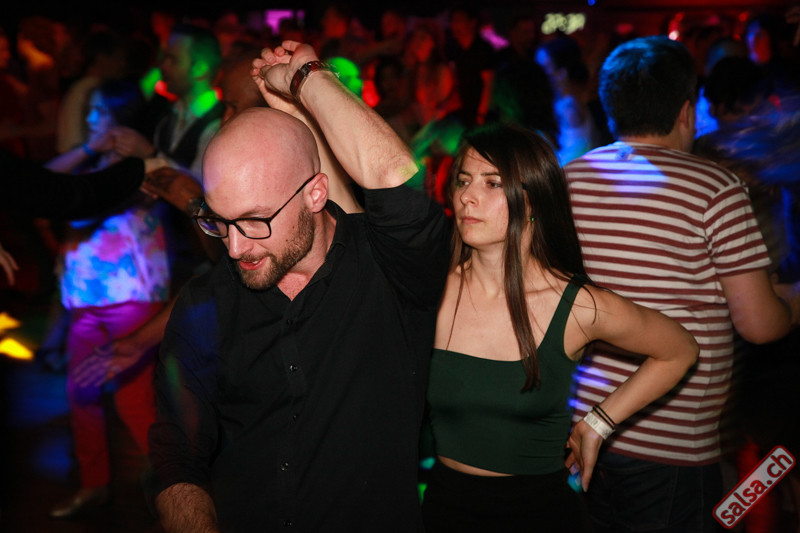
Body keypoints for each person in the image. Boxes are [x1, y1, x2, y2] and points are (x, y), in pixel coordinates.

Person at [146, 40, 450, 532]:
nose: (235, 247)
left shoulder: (385, 273)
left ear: (315, 193)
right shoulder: (207, 302)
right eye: (219, 221)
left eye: (256, 220)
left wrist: (308, 76)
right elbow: (176, 455)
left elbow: (395, 180)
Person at [565, 36, 799, 532]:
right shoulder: (715, 188)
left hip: (581, 427)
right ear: (687, 111)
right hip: (673, 446)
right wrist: (794, 302)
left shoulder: (571, 178)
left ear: (611, 109)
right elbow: (759, 325)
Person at [421, 122, 698, 532]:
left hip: (538, 515)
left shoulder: (576, 305)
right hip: (444, 510)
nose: (467, 196)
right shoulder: (432, 290)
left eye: (493, 183)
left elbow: (679, 350)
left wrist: (599, 423)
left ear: (535, 199)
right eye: (463, 181)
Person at [41, 79, 171, 518]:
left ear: (121, 116)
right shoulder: (90, 161)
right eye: (90, 110)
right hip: (84, 298)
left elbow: (79, 208)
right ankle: (94, 485)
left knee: (133, 399)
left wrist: (143, 152)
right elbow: (42, 186)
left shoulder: (143, 165)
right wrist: (87, 149)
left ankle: (177, 493)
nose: (90, 117)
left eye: (99, 110)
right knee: (81, 392)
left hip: (132, 297)